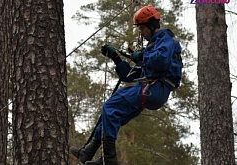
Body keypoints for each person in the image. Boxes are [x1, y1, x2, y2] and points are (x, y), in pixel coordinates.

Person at [70, 5, 183, 165]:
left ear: (152, 25)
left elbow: (161, 60)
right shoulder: (151, 47)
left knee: (110, 107)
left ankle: (109, 161)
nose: (141, 33)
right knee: (110, 115)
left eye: (142, 28)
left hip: (157, 88)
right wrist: (116, 58)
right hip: (151, 88)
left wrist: (142, 56)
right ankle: (88, 152)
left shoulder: (166, 38)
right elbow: (128, 75)